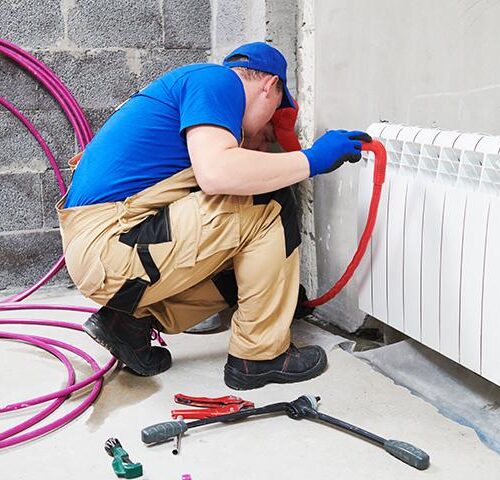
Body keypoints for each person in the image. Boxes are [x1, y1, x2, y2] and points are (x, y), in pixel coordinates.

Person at [56, 42, 371, 390]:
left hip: (107, 246)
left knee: (241, 272)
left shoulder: (188, 100)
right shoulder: (219, 81)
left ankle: (128, 324)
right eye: (269, 127)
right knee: (270, 201)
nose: (264, 140)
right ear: (269, 87)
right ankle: (259, 356)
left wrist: (274, 293)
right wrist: (313, 160)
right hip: (111, 244)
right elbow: (218, 173)